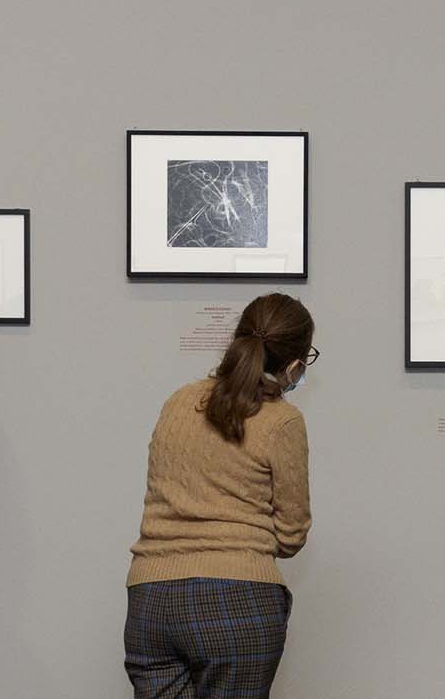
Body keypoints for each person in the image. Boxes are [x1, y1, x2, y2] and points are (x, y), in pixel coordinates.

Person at [125, 293, 315, 699]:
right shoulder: (283, 421)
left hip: (150, 600)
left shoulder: (179, 401)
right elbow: (292, 533)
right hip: (238, 604)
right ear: (295, 365)